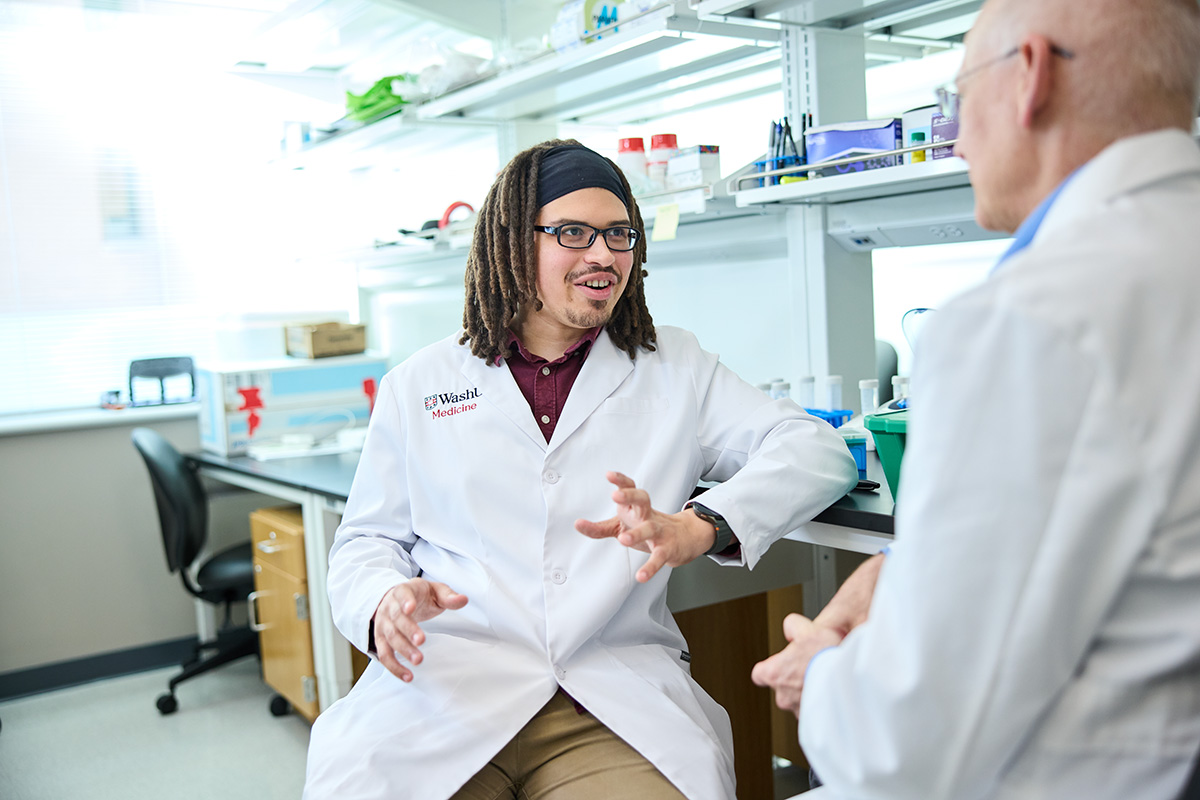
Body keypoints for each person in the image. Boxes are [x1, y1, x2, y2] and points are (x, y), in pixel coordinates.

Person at [302, 140, 859, 800]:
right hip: (445, 687)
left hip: (606, 697)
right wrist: (383, 603)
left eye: (618, 233)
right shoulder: (419, 384)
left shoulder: (673, 367)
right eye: (572, 232)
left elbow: (814, 449)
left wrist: (705, 524)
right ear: (514, 243)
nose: (603, 255)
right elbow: (367, 542)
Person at [751, 0, 1200, 797]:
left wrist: (821, 679)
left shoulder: (1029, 318)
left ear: (1029, 77)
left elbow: (908, 747)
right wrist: (905, 567)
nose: (954, 136)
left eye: (957, 100)